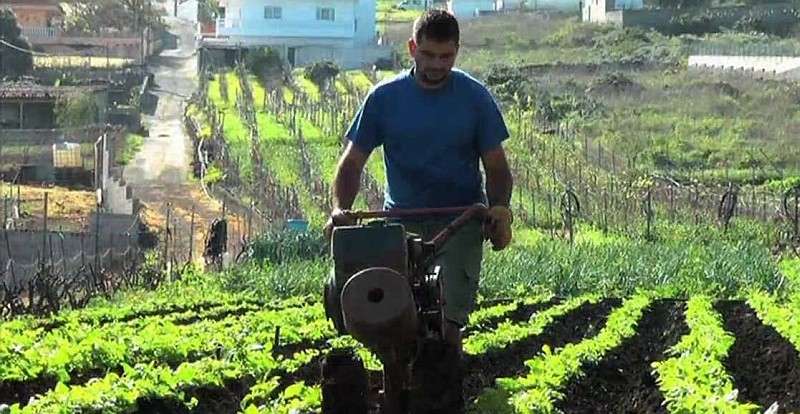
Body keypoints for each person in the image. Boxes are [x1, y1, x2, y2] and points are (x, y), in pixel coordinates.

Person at [323, 7, 514, 407]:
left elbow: (496, 166)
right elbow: (353, 162)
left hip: (459, 220)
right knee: (379, 309)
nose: (436, 65)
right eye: (428, 55)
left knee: (444, 322)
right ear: (412, 49)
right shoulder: (385, 99)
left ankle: (442, 389)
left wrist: (499, 208)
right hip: (400, 221)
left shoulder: (474, 98)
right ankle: (389, 380)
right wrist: (341, 210)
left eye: (446, 57)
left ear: (457, 53)